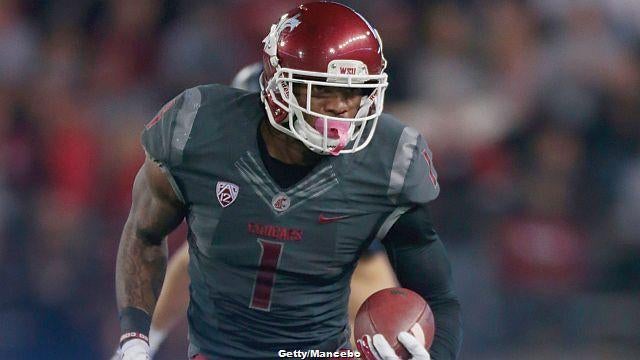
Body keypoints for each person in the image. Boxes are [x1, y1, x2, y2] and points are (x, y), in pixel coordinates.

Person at [115, 2, 462, 359]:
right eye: (325, 89)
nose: (343, 107)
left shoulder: (383, 163)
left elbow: (437, 294)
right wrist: (137, 340)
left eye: (356, 91)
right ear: (278, 92)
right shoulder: (198, 131)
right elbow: (146, 235)